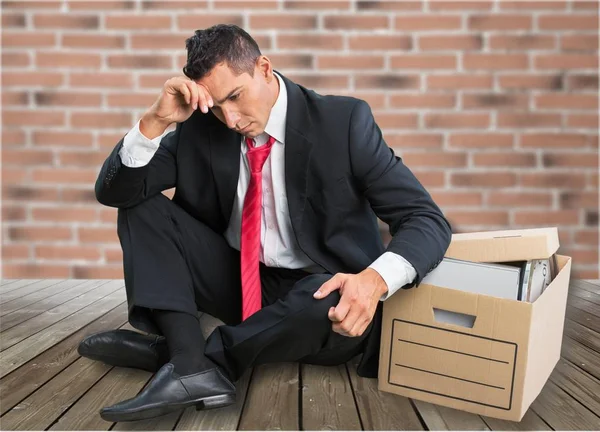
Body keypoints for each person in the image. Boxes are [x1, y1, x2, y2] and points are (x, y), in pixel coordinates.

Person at [79, 24, 451, 422]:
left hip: (320, 297)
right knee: (141, 206)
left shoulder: (343, 123)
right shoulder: (202, 128)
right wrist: (155, 121)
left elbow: (425, 218)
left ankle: (184, 356)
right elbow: (115, 193)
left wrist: (374, 281)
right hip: (240, 282)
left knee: (326, 297)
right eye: (217, 106)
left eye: (236, 97)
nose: (231, 118)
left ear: (264, 68)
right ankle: (189, 361)